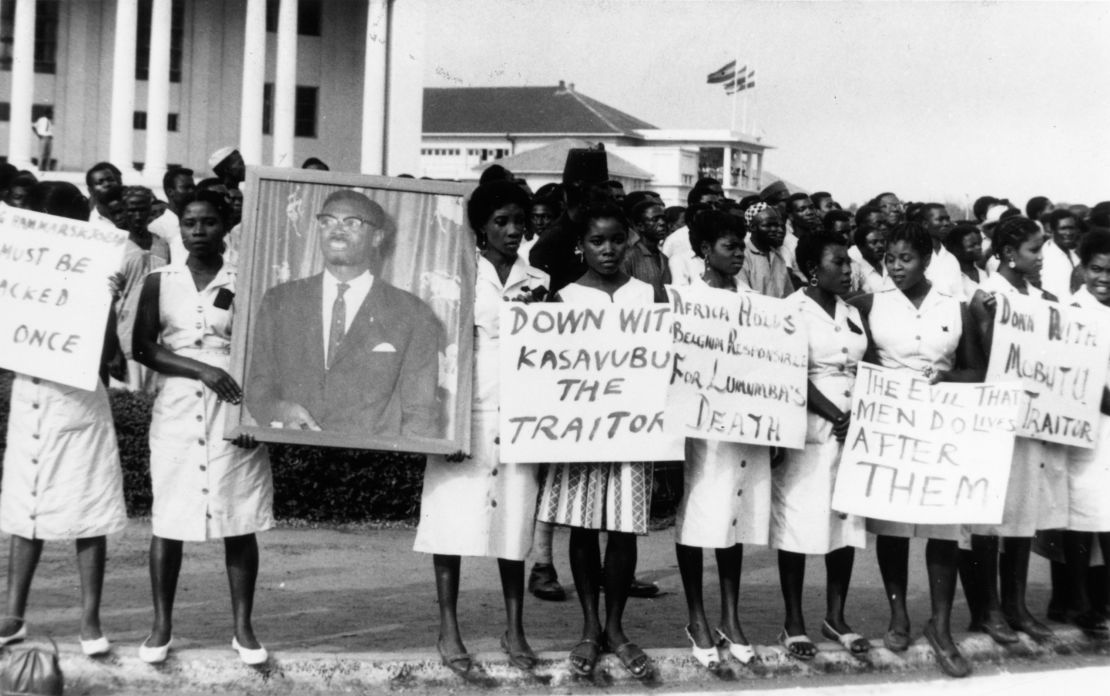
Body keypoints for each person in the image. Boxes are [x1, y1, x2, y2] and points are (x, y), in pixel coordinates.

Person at [132, 190, 274, 665]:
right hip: (177, 405)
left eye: (208, 222)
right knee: (170, 517)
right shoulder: (160, 280)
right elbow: (145, 348)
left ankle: (243, 628)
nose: (198, 231)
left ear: (225, 225)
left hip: (234, 403)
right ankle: (161, 627)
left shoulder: (246, 279)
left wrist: (254, 413)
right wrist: (200, 370)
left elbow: (265, 348)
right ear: (180, 227)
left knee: (238, 515)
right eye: (190, 223)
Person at [413, 181, 548, 676]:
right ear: (480, 227)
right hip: (465, 414)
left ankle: (514, 628)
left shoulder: (540, 278)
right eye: (501, 222)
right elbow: (436, 350)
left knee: (513, 527)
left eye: (519, 221)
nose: (513, 231)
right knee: (451, 525)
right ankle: (448, 629)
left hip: (520, 419)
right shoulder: (455, 276)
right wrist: (442, 424)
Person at [849, 221, 985, 678]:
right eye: (889, 259)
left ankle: (941, 626)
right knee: (893, 526)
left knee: (943, 527)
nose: (896, 266)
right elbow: (855, 355)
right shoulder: (871, 304)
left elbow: (974, 371)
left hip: (943, 425)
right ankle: (898, 615)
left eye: (906, 258)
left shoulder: (955, 306)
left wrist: (947, 379)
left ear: (927, 259)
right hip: (892, 423)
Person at [0, 182, 128, 656]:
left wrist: (108, 303)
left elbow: (111, 358)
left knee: (87, 506)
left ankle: (90, 621)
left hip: (76, 398)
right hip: (30, 393)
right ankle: (13, 615)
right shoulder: (18, 264)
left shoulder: (95, 271)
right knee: (25, 506)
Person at [536, 202, 658, 679]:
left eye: (615, 240)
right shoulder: (563, 298)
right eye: (595, 241)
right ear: (580, 245)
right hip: (581, 432)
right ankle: (589, 626)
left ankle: (616, 627)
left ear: (629, 239)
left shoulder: (647, 295)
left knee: (624, 529)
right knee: (583, 527)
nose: (607, 250)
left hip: (632, 430)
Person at [246, 190, 440, 436]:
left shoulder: (412, 313)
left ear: (377, 237)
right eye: (327, 221)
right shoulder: (280, 300)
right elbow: (258, 389)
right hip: (294, 455)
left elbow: (420, 413)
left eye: (352, 223)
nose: (337, 229)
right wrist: (281, 410)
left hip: (376, 463)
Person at [673, 209, 769, 670]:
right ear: (704, 251)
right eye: (729, 247)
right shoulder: (685, 299)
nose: (738, 256)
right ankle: (697, 615)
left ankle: (731, 613)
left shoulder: (757, 301)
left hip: (744, 424)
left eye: (740, 246)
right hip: (700, 426)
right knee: (697, 515)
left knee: (734, 515)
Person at [962, 216, 1065, 644]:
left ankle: (1016, 605)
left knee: (1022, 512)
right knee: (988, 517)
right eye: (1034, 251)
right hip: (993, 418)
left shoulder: (1045, 298)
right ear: (1008, 254)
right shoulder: (985, 297)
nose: (1041, 258)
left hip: (1032, 418)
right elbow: (981, 361)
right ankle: (987, 608)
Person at [771, 231, 869, 659]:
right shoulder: (791, 310)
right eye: (839, 263)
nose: (848, 270)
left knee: (843, 524)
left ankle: (836, 616)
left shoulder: (850, 311)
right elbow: (790, 370)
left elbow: (863, 366)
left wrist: (859, 414)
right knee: (797, 522)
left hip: (852, 430)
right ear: (813, 268)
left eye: (849, 263)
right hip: (809, 425)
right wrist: (834, 414)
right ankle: (793, 622)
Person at [1062, 228, 1110, 636]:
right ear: (1083, 268)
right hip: (1088, 426)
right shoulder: (1072, 310)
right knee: (1083, 513)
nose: (1105, 278)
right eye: (1097, 269)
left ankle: (1105, 601)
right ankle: (1081, 601)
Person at [114, 186, 171, 394]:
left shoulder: (162, 244)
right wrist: (114, 351)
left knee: (153, 396)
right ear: (123, 210)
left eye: (142, 209)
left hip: (156, 336)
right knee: (130, 395)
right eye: (132, 210)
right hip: (124, 336)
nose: (137, 216)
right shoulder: (115, 245)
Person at [739, 202, 795, 298]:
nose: (775, 229)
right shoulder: (743, 257)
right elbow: (744, 297)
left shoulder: (777, 256)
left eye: (776, 225)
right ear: (752, 227)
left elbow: (788, 295)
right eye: (768, 225)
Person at [621, 198, 671, 296]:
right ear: (640, 226)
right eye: (655, 219)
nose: (662, 223)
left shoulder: (664, 258)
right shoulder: (628, 258)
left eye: (663, 218)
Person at [149, 167, 197, 263]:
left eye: (193, 188)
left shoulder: (197, 224)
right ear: (170, 192)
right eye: (186, 188)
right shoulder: (157, 227)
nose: (191, 192)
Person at [1041, 209, 1081, 299]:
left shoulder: (1074, 254)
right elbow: (1049, 294)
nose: (1068, 233)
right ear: (1052, 230)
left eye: (1071, 228)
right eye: (1063, 228)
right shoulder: (1047, 256)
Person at [944, 224, 988, 300]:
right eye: (972, 245)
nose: (979, 247)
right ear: (956, 249)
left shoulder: (984, 274)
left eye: (979, 243)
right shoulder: (949, 278)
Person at [849, 225, 888, 294]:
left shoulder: (889, 263)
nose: (880, 245)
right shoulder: (856, 272)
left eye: (882, 241)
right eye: (874, 242)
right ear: (860, 247)